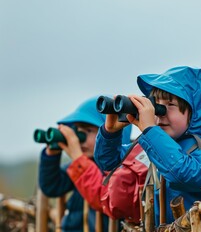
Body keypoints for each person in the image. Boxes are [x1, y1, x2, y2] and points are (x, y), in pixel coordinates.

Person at [94, 66, 201, 231]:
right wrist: (110, 133)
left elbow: (184, 172)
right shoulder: (153, 144)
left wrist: (150, 131)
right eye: (156, 104)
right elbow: (109, 161)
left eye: (170, 104)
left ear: (195, 113)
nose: (159, 113)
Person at [38, 96, 132, 232]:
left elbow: (104, 190)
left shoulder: (119, 169)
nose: (79, 139)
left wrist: (78, 158)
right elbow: (52, 186)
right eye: (77, 131)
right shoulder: (80, 165)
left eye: (88, 131)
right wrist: (52, 154)